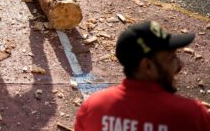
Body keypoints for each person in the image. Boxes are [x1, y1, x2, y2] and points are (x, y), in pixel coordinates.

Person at [74, 20, 210, 131]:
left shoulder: (93, 108)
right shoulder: (192, 115)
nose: (180, 65)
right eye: (171, 58)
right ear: (148, 66)